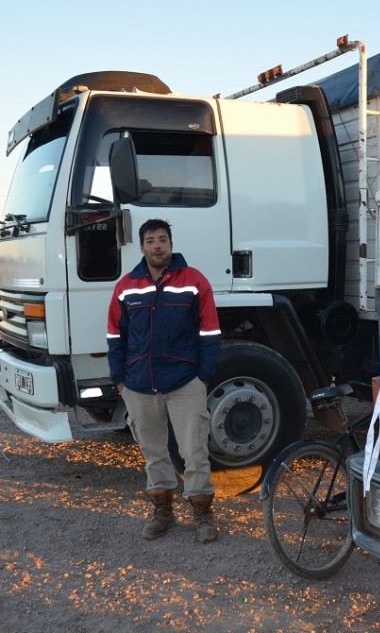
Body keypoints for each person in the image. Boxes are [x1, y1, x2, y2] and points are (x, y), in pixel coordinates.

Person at [106, 218, 222, 543]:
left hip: (184, 382)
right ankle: (163, 512)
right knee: (154, 453)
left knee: (194, 451)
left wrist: (203, 378)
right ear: (142, 247)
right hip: (139, 384)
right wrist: (120, 381)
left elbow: (210, 332)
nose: (157, 246)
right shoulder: (126, 286)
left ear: (171, 243)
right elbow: (115, 336)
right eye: (150, 241)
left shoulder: (194, 281)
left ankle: (202, 512)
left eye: (162, 239)